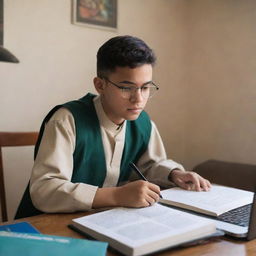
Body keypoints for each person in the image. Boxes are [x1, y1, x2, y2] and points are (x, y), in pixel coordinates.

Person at [15, 35, 211, 219]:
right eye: (126, 87)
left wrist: (174, 174)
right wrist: (117, 196)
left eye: (145, 87)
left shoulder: (143, 123)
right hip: (45, 228)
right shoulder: (66, 120)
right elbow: (45, 190)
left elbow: (149, 165)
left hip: (102, 221)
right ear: (100, 85)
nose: (138, 99)